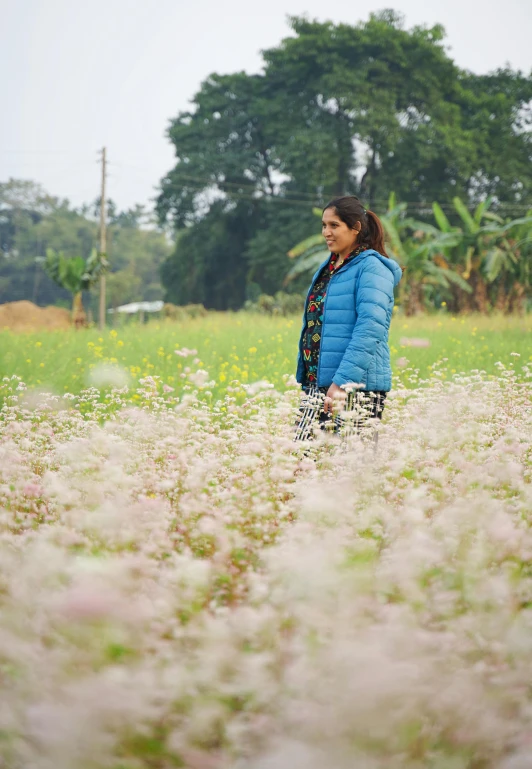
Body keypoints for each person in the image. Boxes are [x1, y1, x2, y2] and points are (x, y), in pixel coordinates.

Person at [294, 195, 402, 442]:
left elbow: (370, 328)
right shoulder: (329, 269)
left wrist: (342, 384)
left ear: (356, 229)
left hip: (355, 388)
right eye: (324, 225)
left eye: (334, 225)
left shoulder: (372, 269)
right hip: (318, 384)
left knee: (351, 472)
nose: (326, 232)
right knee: (299, 464)